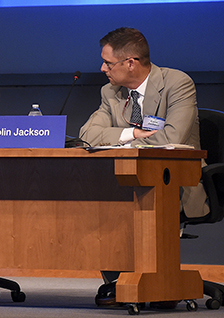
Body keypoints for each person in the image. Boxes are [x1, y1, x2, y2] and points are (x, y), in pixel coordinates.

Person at [78, 27, 208, 307]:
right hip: (123, 179)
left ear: (131, 63)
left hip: (175, 181)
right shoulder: (111, 91)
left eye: (108, 63)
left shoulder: (176, 83)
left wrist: (119, 143)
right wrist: (131, 135)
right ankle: (117, 282)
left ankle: (157, 283)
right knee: (100, 196)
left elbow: (172, 139)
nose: (102, 69)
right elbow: (88, 134)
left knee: (132, 198)